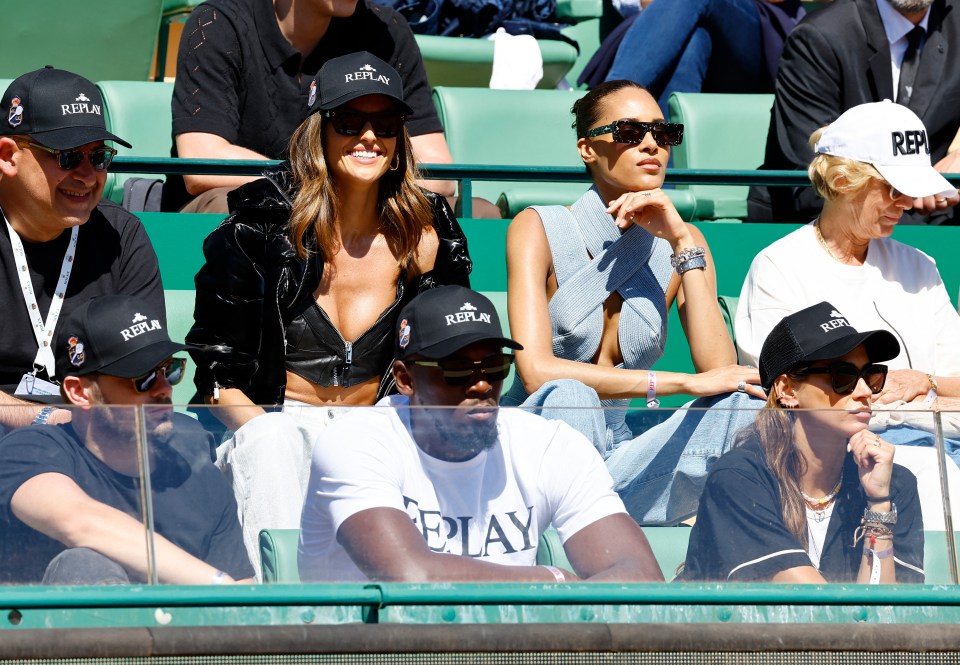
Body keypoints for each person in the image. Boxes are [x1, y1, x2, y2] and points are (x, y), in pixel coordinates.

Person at [187, 52, 471, 570]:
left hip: (378, 427)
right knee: (272, 442)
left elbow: (453, 365)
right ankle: (286, 617)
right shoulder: (258, 228)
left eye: (385, 124)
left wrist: (429, 277)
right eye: (349, 122)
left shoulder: (430, 233)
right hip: (275, 425)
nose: (369, 137)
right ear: (318, 131)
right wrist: (261, 430)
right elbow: (214, 374)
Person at [502, 79, 762, 524]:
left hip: (621, 458)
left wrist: (681, 239)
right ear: (587, 148)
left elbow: (718, 372)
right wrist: (676, 384)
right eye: (628, 132)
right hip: (537, 445)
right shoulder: (536, 227)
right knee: (570, 393)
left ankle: (599, 521)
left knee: (744, 405)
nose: (650, 145)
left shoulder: (684, 242)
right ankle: (602, 522)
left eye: (663, 134)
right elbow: (536, 371)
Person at [298, 285, 664, 583]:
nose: (482, 384)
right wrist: (549, 582)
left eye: (495, 365)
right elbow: (411, 577)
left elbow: (641, 578)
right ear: (406, 379)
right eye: (457, 369)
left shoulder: (550, 445)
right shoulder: (357, 442)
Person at [0, 295, 254, 585]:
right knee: (83, 564)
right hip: (55, 630)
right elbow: (79, 522)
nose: (163, 389)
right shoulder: (31, 450)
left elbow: (242, 592)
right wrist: (217, 585)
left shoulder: (198, 477)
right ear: (80, 393)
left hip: (182, 631)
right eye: (142, 378)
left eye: (169, 370)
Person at [166, 0, 498, 217]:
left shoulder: (388, 33)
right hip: (257, 207)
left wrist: (355, 188)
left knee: (479, 214)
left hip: (361, 204)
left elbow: (440, 173)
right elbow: (202, 164)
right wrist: (323, 181)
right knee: (228, 205)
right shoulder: (216, 23)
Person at [679, 302, 924, 583]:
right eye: (843, 376)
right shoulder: (739, 478)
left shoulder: (892, 485)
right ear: (787, 390)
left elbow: (892, 615)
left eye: (871, 376)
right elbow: (814, 607)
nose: (865, 391)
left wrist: (879, 504)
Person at [737, 102, 960, 407]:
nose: (908, 204)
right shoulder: (779, 266)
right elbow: (783, 395)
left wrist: (926, 381)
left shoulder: (920, 265)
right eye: (895, 190)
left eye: (913, 190)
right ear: (843, 182)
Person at [0, 67, 164, 430]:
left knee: (186, 438)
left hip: (95, 429)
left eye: (100, 157)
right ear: (8, 155)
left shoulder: (122, 235)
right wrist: (39, 418)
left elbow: (144, 368)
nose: (88, 176)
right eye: (68, 156)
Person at [749, 0, 960, 225]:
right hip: (825, 230)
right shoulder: (820, 37)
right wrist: (908, 191)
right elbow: (817, 177)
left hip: (938, 222)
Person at [582, 0, 804, 116]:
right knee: (694, 40)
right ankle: (669, 176)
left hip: (762, 35)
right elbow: (642, 4)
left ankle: (607, 104)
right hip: (672, 24)